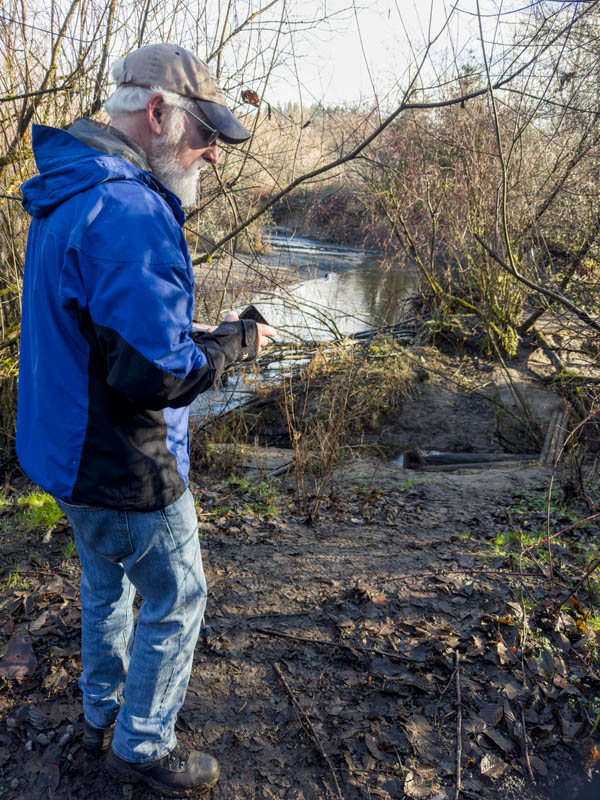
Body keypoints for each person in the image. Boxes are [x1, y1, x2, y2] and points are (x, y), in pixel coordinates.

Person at [16, 43, 275, 796]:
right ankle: (143, 743)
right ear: (158, 115)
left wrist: (190, 331)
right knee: (177, 597)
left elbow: (101, 332)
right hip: (124, 466)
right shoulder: (129, 209)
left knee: (108, 591)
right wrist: (234, 344)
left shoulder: (72, 189)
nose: (213, 157)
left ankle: (102, 714)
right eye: (205, 136)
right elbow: (156, 375)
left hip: (67, 456)